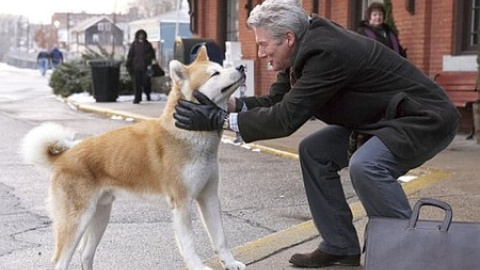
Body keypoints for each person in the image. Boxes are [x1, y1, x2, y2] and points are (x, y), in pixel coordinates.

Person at [173, 0, 460, 268]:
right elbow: (276, 102)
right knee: (315, 151)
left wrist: (219, 120)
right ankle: (340, 245)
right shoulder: (300, 49)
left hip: (423, 118)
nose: (260, 54)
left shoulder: (325, 52)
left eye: (263, 44)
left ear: (287, 38)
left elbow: (286, 118)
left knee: (367, 165)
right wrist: (226, 104)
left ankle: (414, 254)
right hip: (382, 120)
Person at [126, 29, 156, 104]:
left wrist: (148, 59)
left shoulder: (148, 44)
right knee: (136, 84)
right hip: (136, 67)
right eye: (139, 34)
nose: (141, 36)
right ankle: (137, 98)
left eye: (142, 34)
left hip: (145, 67)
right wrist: (129, 64)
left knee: (146, 82)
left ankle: (147, 94)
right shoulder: (134, 44)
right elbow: (130, 55)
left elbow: (152, 55)